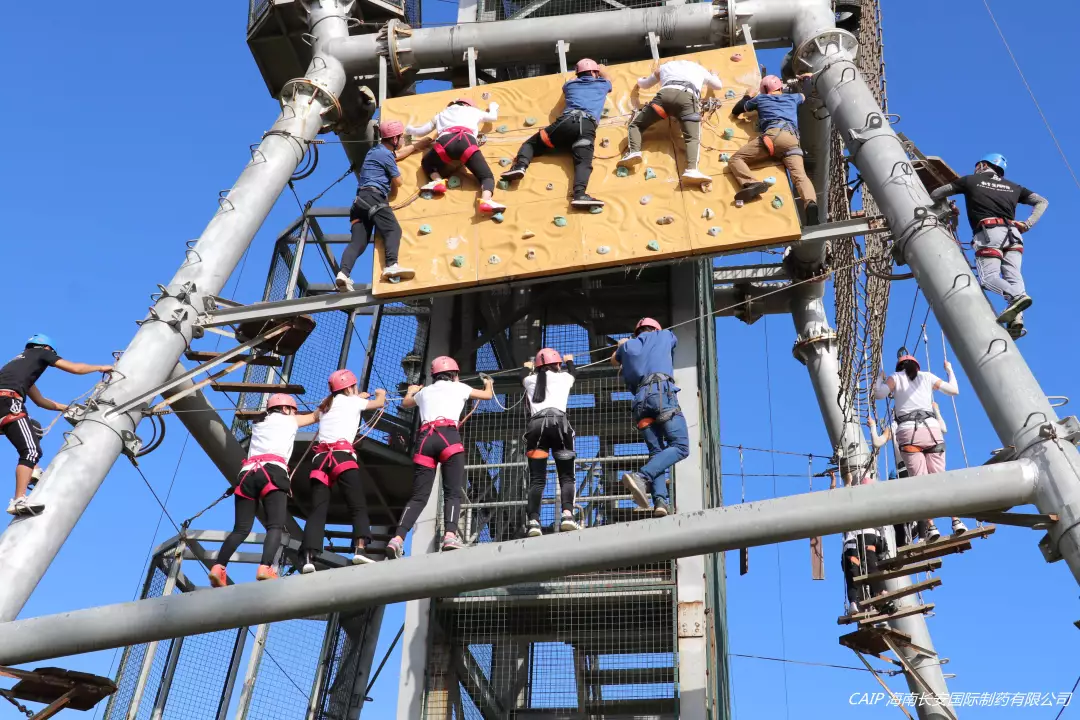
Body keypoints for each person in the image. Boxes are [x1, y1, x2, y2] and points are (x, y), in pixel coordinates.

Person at [929, 153, 1048, 339]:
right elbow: (1042, 201)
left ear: (983, 165)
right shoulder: (1014, 187)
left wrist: (947, 205)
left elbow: (936, 194)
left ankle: (1017, 297)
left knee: (988, 278)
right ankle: (1017, 317)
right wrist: (1027, 224)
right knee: (1013, 275)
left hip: (990, 232)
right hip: (1014, 235)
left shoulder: (970, 180)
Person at [388, 357, 494, 558]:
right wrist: (488, 382)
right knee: (452, 492)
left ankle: (397, 539)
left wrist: (411, 390)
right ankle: (450, 536)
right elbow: (487, 395)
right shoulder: (460, 387)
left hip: (425, 440)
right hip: (448, 438)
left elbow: (406, 402)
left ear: (434, 375)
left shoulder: (424, 392)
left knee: (419, 497)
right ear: (454, 374)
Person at [209, 394, 320, 586]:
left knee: (241, 529)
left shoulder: (258, 423)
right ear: (285, 409)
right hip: (273, 472)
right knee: (275, 526)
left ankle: (218, 567)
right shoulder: (290, 420)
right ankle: (265, 567)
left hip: (248, 473)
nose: (294, 413)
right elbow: (317, 415)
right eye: (293, 410)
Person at [1, 335, 112, 517]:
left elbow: (40, 401)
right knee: (31, 451)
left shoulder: (17, 367)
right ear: (47, 348)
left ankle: (33, 470)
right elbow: (75, 368)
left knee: (34, 427)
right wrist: (100, 367)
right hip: (8, 402)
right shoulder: (42, 353)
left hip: (3, 403)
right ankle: (18, 500)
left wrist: (66, 408)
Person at [299, 369, 387, 573]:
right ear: (349, 387)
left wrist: (359, 397)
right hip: (342, 457)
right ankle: (360, 550)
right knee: (357, 504)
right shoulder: (354, 402)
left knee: (317, 510)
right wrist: (380, 393)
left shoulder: (325, 406)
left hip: (320, 460)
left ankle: (308, 558)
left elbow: (317, 415)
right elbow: (379, 403)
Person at [874, 351, 965, 542]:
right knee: (940, 479)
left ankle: (931, 526)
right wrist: (949, 370)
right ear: (917, 366)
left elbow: (879, 394)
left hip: (908, 434)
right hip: (932, 431)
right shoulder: (927, 376)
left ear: (899, 367)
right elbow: (954, 390)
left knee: (921, 484)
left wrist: (879, 379)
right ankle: (956, 520)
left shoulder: (896, 378)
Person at [501, 59, 612, 208]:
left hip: (566, 123)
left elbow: (570, 81)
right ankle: (579, 194)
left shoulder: (570, 85)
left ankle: (520, 166)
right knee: (583, 163)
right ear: (594, 72)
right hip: (586, 128)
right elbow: (609, 78)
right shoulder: (602, 84)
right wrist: (601, 69)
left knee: (531, 144)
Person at [335, 120, 431, 292]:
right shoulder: (385, 155)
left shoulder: (375, 152)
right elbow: (399, 181)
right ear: (394, 139)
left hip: (359, 203)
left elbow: (397, 155)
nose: (403, 139)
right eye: (401, 137)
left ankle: (343, 274)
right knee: (393, 230)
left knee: (358, 243)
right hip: (374, 198)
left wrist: (417, 146)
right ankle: (391, 265)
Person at [610, 318, 688, 517]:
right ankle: (642, 476)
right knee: (681, 446)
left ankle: (660, 502)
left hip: (640, 401)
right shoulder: (665, 335)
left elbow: (613, 360)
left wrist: (622, 345)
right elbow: (672, 344)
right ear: (655, 329)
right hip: (662, 394)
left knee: (656, 452)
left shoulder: (627, 346)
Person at [729, 74, 819, 225]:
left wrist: (748, 96)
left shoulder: (761, 99)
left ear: (764, 89)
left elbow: (736, 110)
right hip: (792, 141)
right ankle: (810, 204)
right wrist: (807, 78)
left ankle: (751, 183)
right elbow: (807, 92)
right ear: (779, 88)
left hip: (773, 137)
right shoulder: (793, 98)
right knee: (800, 176)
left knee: (736, 159)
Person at [619, 59, 724, 182]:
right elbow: (718, 86)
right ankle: (691, 170)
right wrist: (714, 74)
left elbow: (645, 84)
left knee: (636, 125)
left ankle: (634, 152)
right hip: (687, 101)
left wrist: (639, 81)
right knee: (692, 138)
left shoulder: (664, 67)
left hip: (664, 100)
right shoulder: (700, 69)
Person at [405, 98, 506, 215]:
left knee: (427, 163)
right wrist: (493, 106)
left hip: (445, 143)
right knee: (486, 176)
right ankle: (486, 200)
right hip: (467, 143)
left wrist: (409, 130)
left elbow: (421, 131)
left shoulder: (441, 114)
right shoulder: (474, 111)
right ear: (468, 105)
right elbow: (493, 117)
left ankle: (438, 181)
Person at [521, 349, 579, 537]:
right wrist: (570, 361)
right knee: (567, 476)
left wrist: (527, 367)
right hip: (560, 426)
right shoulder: (565, 378)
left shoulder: (530, 380)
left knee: (537, 479)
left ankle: (533, 522)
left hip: (536, 428)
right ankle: (568, 516)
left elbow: (522, 375)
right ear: (558, 365)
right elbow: (573, 372)